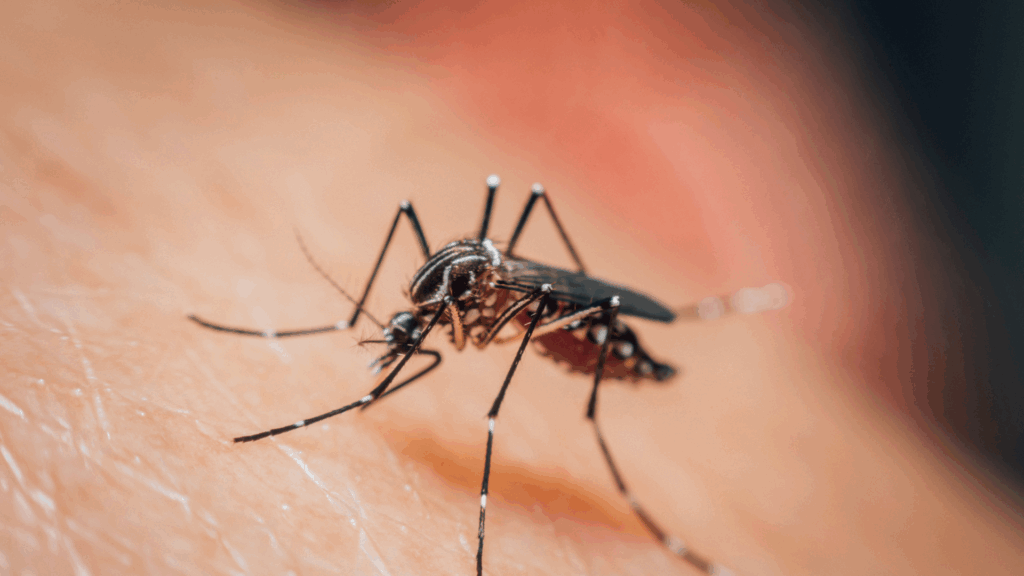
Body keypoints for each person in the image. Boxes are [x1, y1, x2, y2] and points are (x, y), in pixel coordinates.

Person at [1, 1, 1020, 574]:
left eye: (401, 329)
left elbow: (489, 337)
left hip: (578, 309)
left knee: (512, 266)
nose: (401, 339)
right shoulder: (429, 284)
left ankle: (667, 386)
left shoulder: (482, 300)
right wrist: (361, 325)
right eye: (401, 327)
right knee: (496, 216)